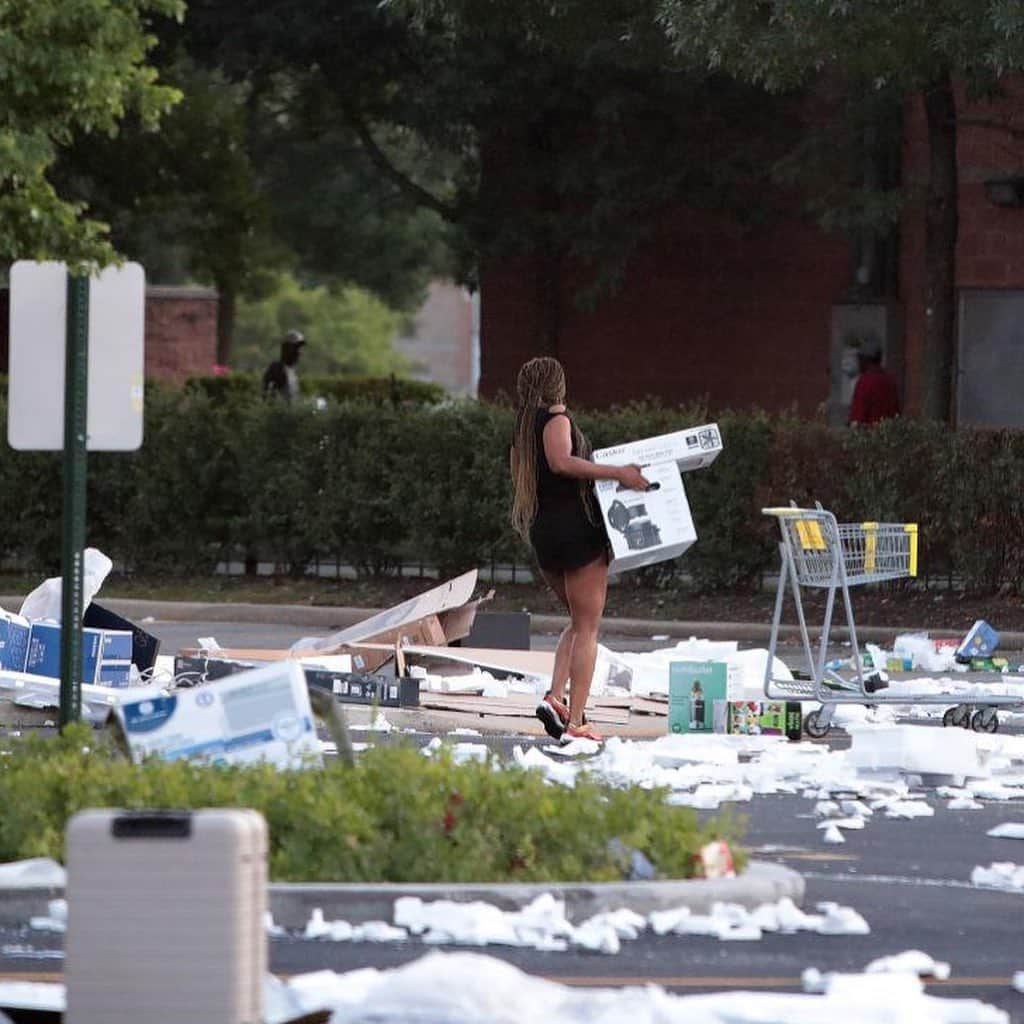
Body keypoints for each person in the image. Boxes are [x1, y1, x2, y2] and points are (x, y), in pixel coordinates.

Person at [510, 356, 649, 742]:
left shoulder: (524, 427)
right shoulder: (555, 420)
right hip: (575, 532)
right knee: (588, 629)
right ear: (557, 385)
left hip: (546, 535)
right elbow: (561, 463)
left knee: (576, 622)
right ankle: (576, 723)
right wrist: (619, 473)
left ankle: (555, 699)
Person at [848, 339, 900, 426]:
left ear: (866, 360)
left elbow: (857, 418)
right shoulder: (890, 380)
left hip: (868, 436)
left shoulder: (864, 381)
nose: (858, 363)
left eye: (860, 359)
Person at [262, 330, 306, 401]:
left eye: (300, 348)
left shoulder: (292, 371)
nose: (299, 352)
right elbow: (268, 397)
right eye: (296, 348)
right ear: (287, 349)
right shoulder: (276, 368)